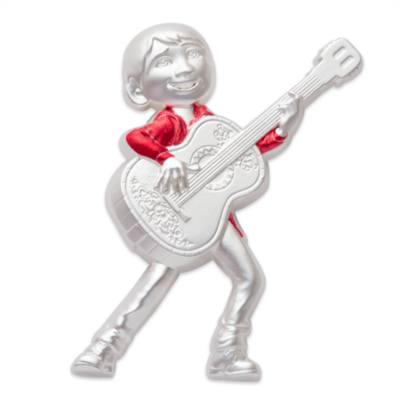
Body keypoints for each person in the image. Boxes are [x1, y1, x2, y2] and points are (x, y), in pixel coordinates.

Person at [71, 23, 304, 381]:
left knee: (249, 278)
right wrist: (166, 159)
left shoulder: (209, 123)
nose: (184, 68)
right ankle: (103, 347)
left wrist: (282, 129)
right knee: (159, 278)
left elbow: (244, 154)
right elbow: (137, 138)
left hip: (212, 217)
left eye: (194, 54)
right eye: (165, 61)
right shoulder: (168, 120)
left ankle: (226, 354)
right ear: (136, 89)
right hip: (175, 209)